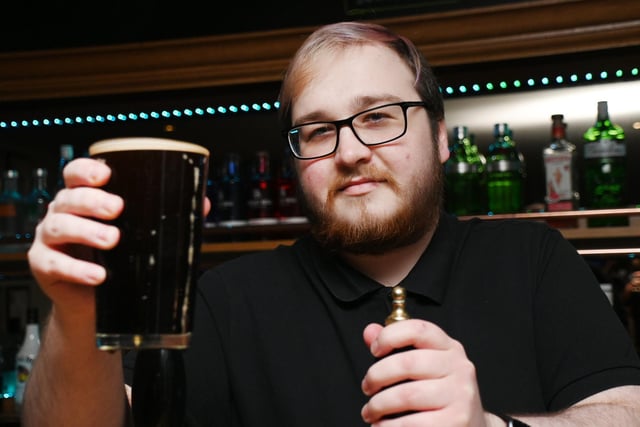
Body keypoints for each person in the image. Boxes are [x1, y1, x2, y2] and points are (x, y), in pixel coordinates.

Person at [23, 21, 640, 427]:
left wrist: (492, 426)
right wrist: (77, 315)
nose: (348, 151)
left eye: (379, 117)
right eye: (319, 130)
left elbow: (623, 410)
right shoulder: (228, 301)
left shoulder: (531, 259)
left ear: (442, 139)